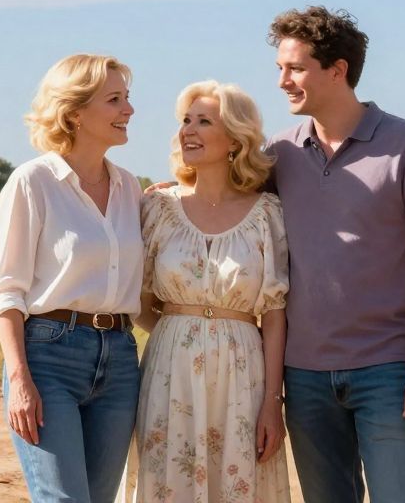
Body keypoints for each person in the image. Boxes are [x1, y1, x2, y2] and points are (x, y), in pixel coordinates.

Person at [266, 7, 405, 503]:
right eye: (280, 69)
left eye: (295, 68)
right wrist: (172, 193)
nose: (283, 80)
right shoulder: (278, 154)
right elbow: (223, 203)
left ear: (337, 69)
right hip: (303, 376)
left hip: (389, 371)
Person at [0, 54, 147, 503]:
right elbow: (6, 292)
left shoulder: (130, 188)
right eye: (114, 100)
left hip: (119, 359)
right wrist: (19, 379)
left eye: (127, 99)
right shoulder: (32, 182)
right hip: (49, 358)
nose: (128, 111)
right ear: (75, 113)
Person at [123, 81, 291, 503]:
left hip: (243, 373)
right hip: (169, 369)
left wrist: (273, 402)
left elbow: (274, 315)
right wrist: (184, 331)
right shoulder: (158, 208)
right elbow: (139, 301)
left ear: (235, 138)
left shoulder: (267, 213)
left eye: (203, 121)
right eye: (185, 121)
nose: (188, 131)